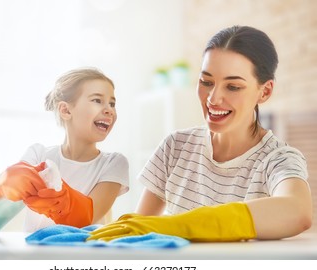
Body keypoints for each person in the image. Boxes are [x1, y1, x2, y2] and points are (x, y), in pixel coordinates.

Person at [88, 25, 312, 242]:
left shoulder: (277, 159)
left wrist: (181, 225)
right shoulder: (176, 147)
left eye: (232, 87)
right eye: (206, 82)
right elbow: (140, 230)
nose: (213, 99)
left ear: (265, 91)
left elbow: (298, 211)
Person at [0, 67, 129, 232]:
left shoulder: (113, 163)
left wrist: (57, 194)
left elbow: (88, 216)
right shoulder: (38, 154)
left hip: (84, 255)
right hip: (35, 253)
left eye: (112, 103)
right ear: (66, 110)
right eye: (97, 100)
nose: (109, 110)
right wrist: (12, 181)